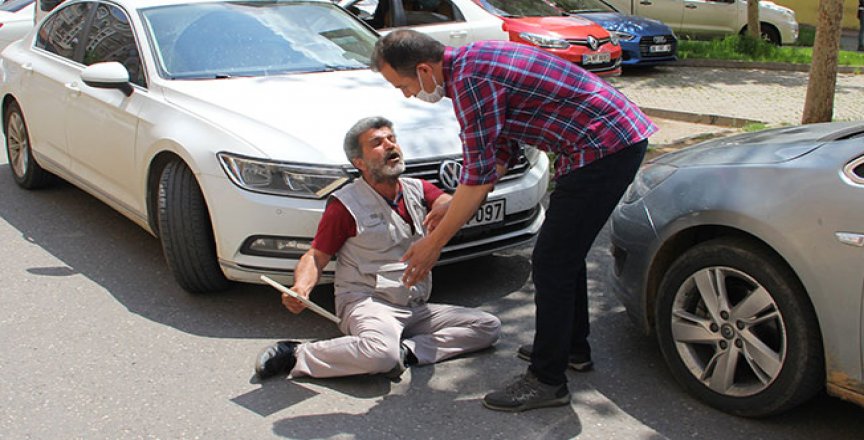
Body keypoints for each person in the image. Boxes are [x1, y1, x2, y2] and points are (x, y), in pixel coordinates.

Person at [371, 30, 656, 412]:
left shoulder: (471, 79)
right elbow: (498, 146)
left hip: (604, 146)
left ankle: (547, 380)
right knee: (561, 257)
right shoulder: (471, 64)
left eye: (403, 85)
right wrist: (457, 198)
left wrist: (432, 245)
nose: (406, 94)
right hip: (602, 141)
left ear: (424, 69)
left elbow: (478, 178)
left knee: (552, 263)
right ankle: (570, 346)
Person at [254, 116, 501, 381]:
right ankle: (297, 354)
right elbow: (316, 255)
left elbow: (447, 204)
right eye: (378, 143)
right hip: (367, 302)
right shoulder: (345, 204)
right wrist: (301, 288)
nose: (390, 145)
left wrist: (452, 203)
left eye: (392, 139)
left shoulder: (417, 188)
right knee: (380, 355)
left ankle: (407, 352)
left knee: (487, 326)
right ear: (359, 162)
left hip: (414, 304)